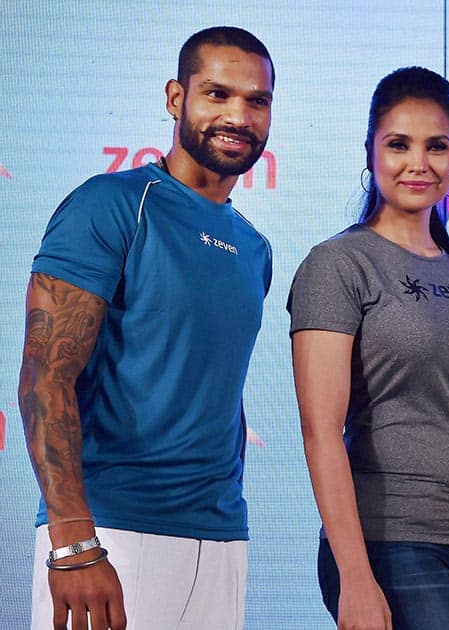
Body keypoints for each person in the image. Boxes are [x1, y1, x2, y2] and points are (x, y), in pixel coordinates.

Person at [18, 26, 274, 630]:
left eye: (257, 101)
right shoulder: (111, 205)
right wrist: (74, 542)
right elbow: (44, 380)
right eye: (216, 94)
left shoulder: (254, 248)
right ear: (175, 98)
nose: (238, 115)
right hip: (110, 536)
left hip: (220, 538)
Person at [287, 66, 449, 630]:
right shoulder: (338, 265)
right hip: (388, 542)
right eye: (398, 145)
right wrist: (355, 577)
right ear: (370, 152)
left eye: (436, 146)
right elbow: (320, 431)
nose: (419, 163)